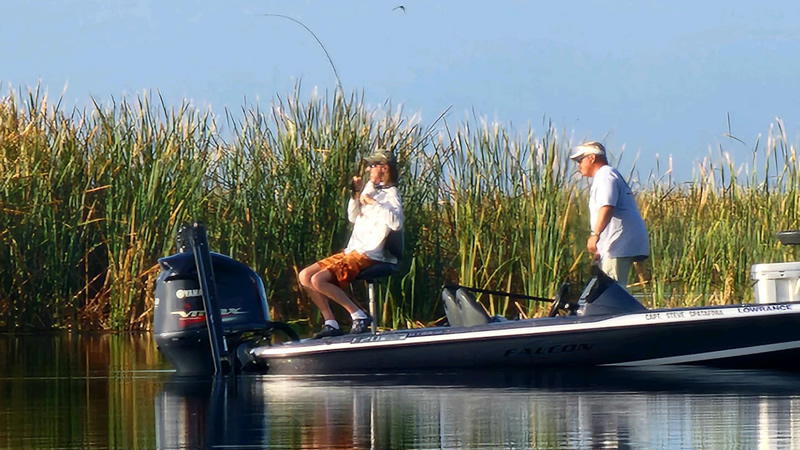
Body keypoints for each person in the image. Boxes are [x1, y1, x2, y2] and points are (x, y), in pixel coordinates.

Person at [298, 149, 404, 338]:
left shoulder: (391, 194)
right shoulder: (370, 188)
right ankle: (331, 322)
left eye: (372, 165)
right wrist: (356, 194)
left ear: (384, 168)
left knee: (319, 280)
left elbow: (396, 223)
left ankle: (358, 315)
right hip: (352, 250)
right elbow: (353, 217)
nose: (368, 169)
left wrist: (373, 203)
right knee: (306, 276)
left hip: (369, 253)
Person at [570, 141, 649, 287]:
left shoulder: (605, 175)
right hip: (614, 244)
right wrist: (600, 246)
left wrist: (595, 234)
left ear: (592, 158)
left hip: (618, 244)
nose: (578, 165)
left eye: (580, 160)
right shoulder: (605, 175)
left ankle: (618, 311)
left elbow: (607, 207)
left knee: (612, 289)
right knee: (608, 287)